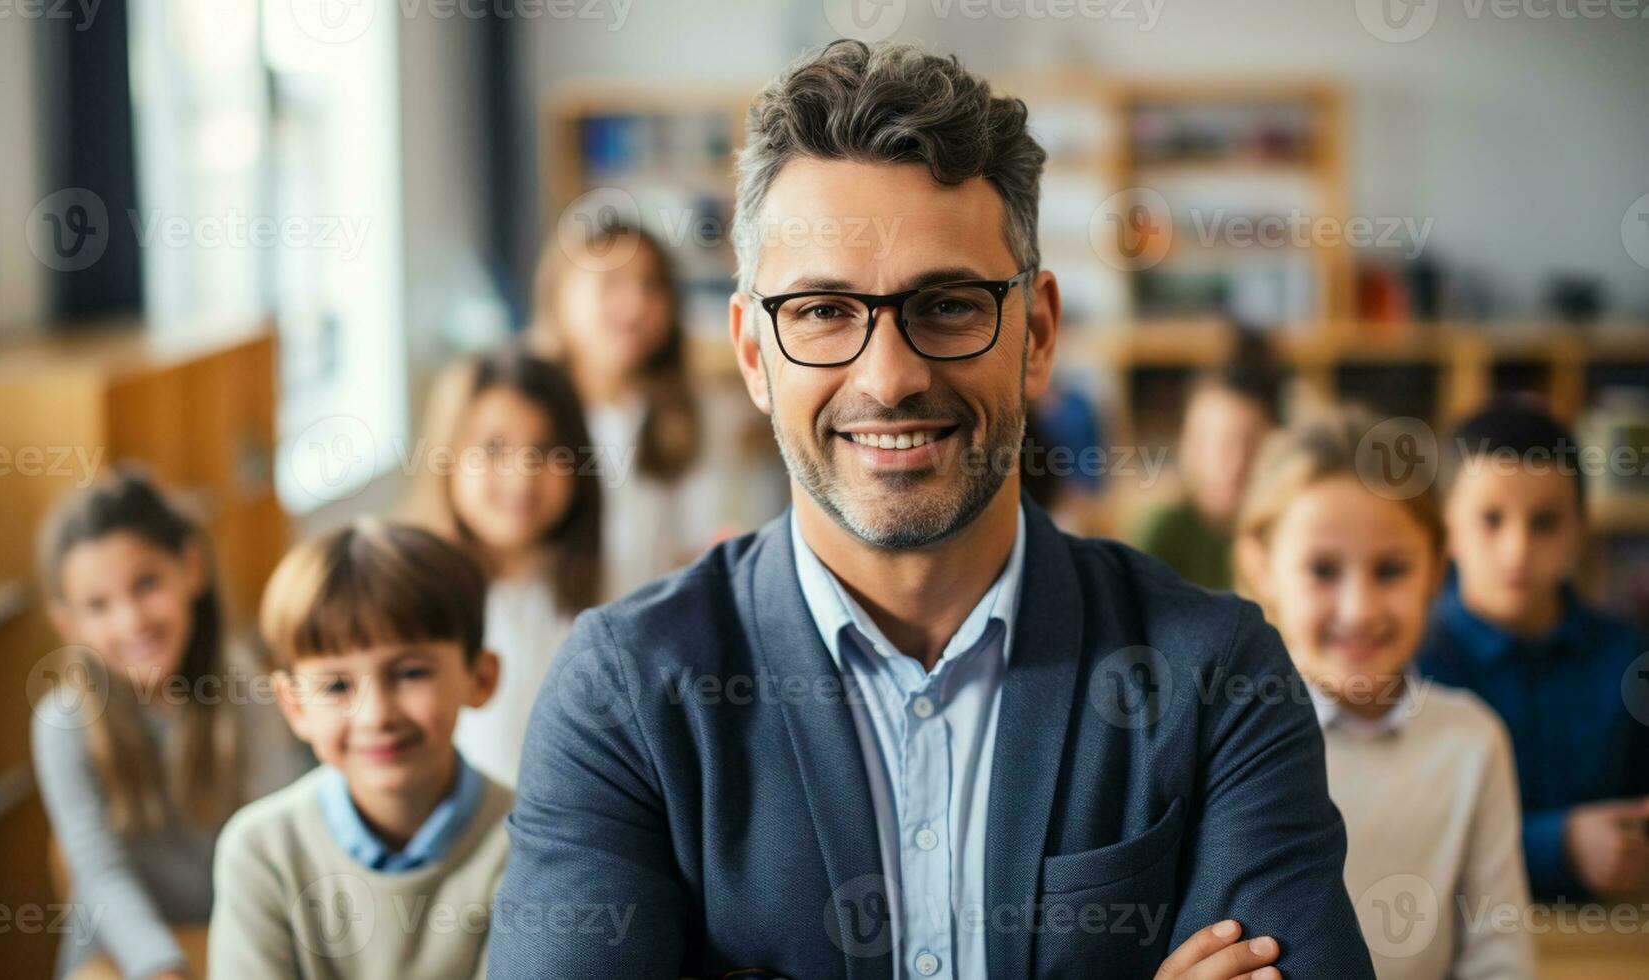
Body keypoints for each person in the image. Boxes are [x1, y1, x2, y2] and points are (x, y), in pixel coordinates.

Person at [490, 40, 1371, 979]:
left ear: (1036, 334)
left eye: (948, 304)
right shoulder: (623, 697)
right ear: (753, 353)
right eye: (825, 310)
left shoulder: (1220, 680)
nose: (891, 378)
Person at [1236, 408, 1535, 979]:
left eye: (1391, 569)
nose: (1360, 609)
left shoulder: (1472, 742)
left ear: (1434, 570)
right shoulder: (1216, 738)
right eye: (1323, 570)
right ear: (1261, 567)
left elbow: (1498, 961)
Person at [32, 469, 309, 979]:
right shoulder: (62, 725)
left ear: (191, 569)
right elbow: (100, 875)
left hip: (243, 937)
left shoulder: (255, 691)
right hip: (120, 956)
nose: (131, 621)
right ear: (67, 623)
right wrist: (161, 967)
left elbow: (283, 839)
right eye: (98, 605)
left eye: (147, 584)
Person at [208, 520, 513, 979]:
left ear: (481, 678)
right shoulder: (261, 852)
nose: (377, 716)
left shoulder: (529, 845)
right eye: (336, 685)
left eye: (410, 673)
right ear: (294, 706)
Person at [1419, 399, 1649, 900]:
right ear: (1446, 529)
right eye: (1491, 519)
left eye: (1545, 522)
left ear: (1581, 530)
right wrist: (1561, 844)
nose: (1516, 550)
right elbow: (1408, 841)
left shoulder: (1630, 656)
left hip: (1608, 953)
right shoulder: (1407, 663)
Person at [527, 219, 781, 598]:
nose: (635, 304)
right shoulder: (526, 414)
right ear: (559, 293)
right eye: (611, 282)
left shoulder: (695, 417)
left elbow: (707, 543)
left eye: (652, 285)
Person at [400, 349, 604, 786]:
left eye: (547, 450)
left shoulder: (603, 597)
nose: (521, 476)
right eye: (494, 449)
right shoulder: (406, 600)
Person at [1133, 334, 1280, 590]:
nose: (1234, 465)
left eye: (1250, 444)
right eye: (1218, 444)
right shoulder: (1164, 529)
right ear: (1186, 446)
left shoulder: (1284, 534)